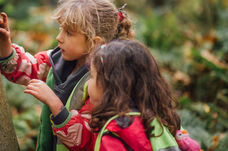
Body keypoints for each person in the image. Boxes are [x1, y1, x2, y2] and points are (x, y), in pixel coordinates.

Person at [0, 0, 135, 151]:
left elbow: (84, 139)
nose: (59, 37)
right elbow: (22, 69)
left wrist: (53, 102)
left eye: (69, 33)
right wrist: (4, 42)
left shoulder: (102, 81)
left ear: (94, 42)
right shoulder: (57, 59)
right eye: (61, 29)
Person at [31, 40, 200, 151]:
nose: (88, 84)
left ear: (111, 87)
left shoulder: (117, 131)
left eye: (93, 78)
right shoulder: (153, 119)